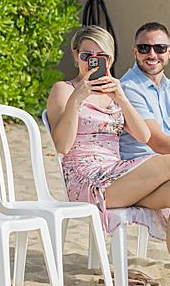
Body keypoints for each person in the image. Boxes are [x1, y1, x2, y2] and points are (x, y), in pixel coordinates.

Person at [48, 26, 170, 256]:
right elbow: (62, 146)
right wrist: (77, 99)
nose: (92, 62)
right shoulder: (63, 90)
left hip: (117, 174)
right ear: (76, 56)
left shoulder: (115, 94)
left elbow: (143, 136)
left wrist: (120, 97)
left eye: (100, 57)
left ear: (110, 59)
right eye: (86, 56)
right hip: (87, 180)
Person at [118, 21, 170, 160]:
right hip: (141, 165)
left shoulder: (168, 87)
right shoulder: (127, 88)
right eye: (144, 48)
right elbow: (159, 144)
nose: (152, 55)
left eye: (160, 48)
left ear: (169, 52)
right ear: (135, 52)